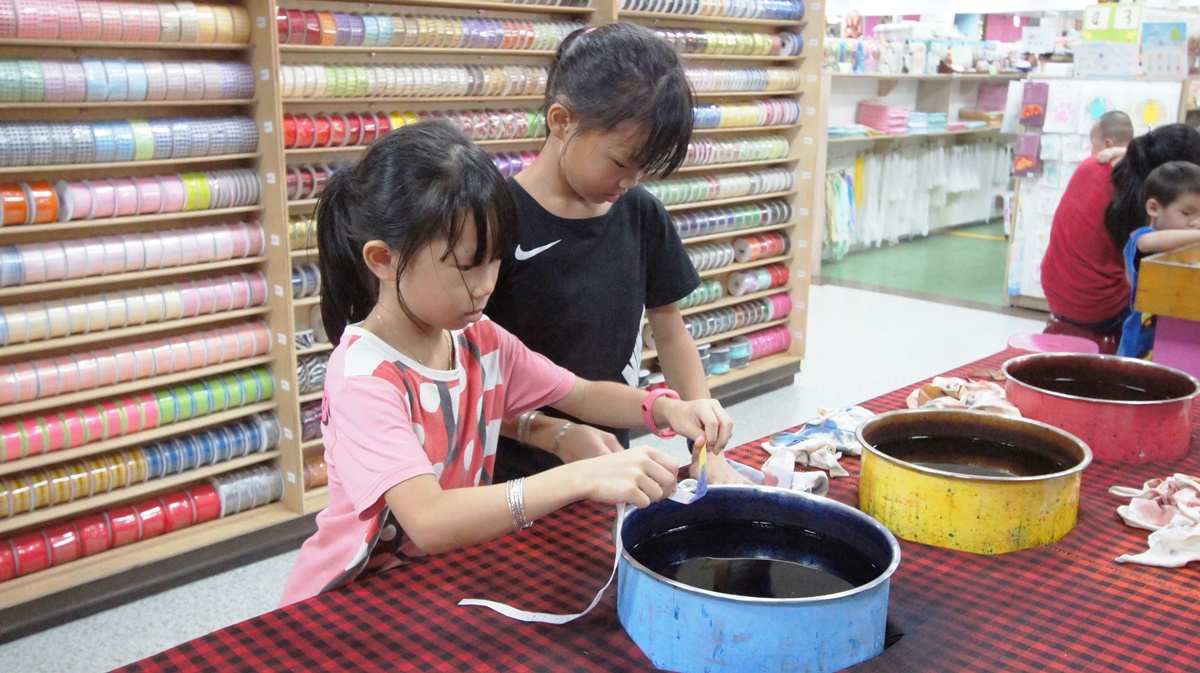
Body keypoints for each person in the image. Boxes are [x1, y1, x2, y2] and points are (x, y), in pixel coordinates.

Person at [279, 121, 733, 606]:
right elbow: (428, 520)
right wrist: (576, 477)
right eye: (466, 265)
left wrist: (667, 410)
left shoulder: (478, 339)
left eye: (495, 260)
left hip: (433, 583)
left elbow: (579, 394)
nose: (485, 284)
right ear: (382, 260)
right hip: (346, 597)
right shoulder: (364, 379)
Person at [484, 23, 747, 485]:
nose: (632, 180)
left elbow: (671, 331)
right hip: (512, 472)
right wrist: (557, 433)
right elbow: (464, 373)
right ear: (562, 121)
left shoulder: (640, 213)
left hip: (611, 464)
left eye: (645, 167)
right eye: (622, 161)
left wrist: (705, 443)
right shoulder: (496, 221)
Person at [1040, 121, 1200, 353]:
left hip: (1056, 290)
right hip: (1098, 307)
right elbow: (1139, 271)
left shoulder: (1096, 163)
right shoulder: (1146, 201)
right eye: (1187, 211)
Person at [1117, 161, 1200, 358]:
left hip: (1176, 338)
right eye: (1187, 213)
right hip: (1141, 344)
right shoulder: (1143, 235)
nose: (1196, 222)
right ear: (1154, 208)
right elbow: (1148, 243)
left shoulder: (1187, 242)